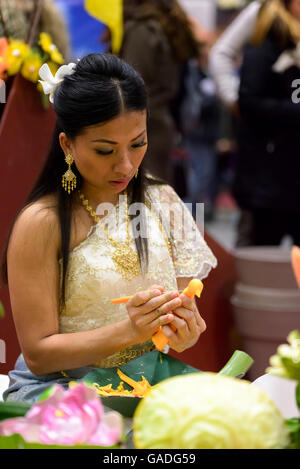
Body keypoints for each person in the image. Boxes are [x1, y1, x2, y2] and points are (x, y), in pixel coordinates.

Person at [1, 53, 217, 404]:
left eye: (138, 143)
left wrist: (182, 332)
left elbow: (175, 327)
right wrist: (129, 332)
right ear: (67, 144)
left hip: (145, 381)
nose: (126, 165)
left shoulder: (162, 200)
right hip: (62, 391)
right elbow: (39, 353)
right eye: (105, 150)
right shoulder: (42, 222)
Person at [233, 0, 300, 245]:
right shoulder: (267, 42)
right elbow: (249, 102)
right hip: (267, 177)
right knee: (258, 257)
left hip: (289, 176)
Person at [117, 0, 200, 185]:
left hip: (144, 130)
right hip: (156, 126)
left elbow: (133, 83)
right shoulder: (160, 25)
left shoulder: (143, 30)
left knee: (146, 206)